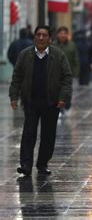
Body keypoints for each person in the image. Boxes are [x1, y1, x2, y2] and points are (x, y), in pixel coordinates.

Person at [9, 25, 73, 176]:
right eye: (38, 35)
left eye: (44, 35)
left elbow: (67, 77)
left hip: (51, 102)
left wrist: (63, 97)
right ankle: (25, 165)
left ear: (50, 39)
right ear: (34, 37)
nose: (41, 38)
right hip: (31, 101)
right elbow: (17, 77)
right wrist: (14, 96)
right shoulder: (25, 55)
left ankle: (42, 164)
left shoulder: (58, 55)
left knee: (48, 135)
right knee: (28, 133)